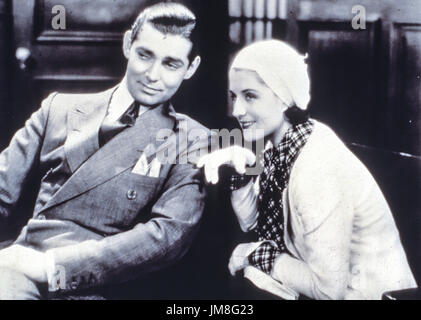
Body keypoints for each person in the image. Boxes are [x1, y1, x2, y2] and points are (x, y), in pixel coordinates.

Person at [0, 2, 210, 299]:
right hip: (19, 269)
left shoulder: (192, 139)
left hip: (100, 284)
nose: (152, 75)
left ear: (191, 68)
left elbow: (168, 236)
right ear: (128, 45)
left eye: (170, 63)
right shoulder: (57, 109)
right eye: (145, 55)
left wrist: (52, 265)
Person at [197, 39, 417, 300]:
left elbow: (327, 291)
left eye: (250, 96)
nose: (237, 110)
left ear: (284, 97)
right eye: (234, 96)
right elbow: (253, 223)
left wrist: (257, 255)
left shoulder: (316, 167)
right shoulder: (290, 142)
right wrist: (241, 172)